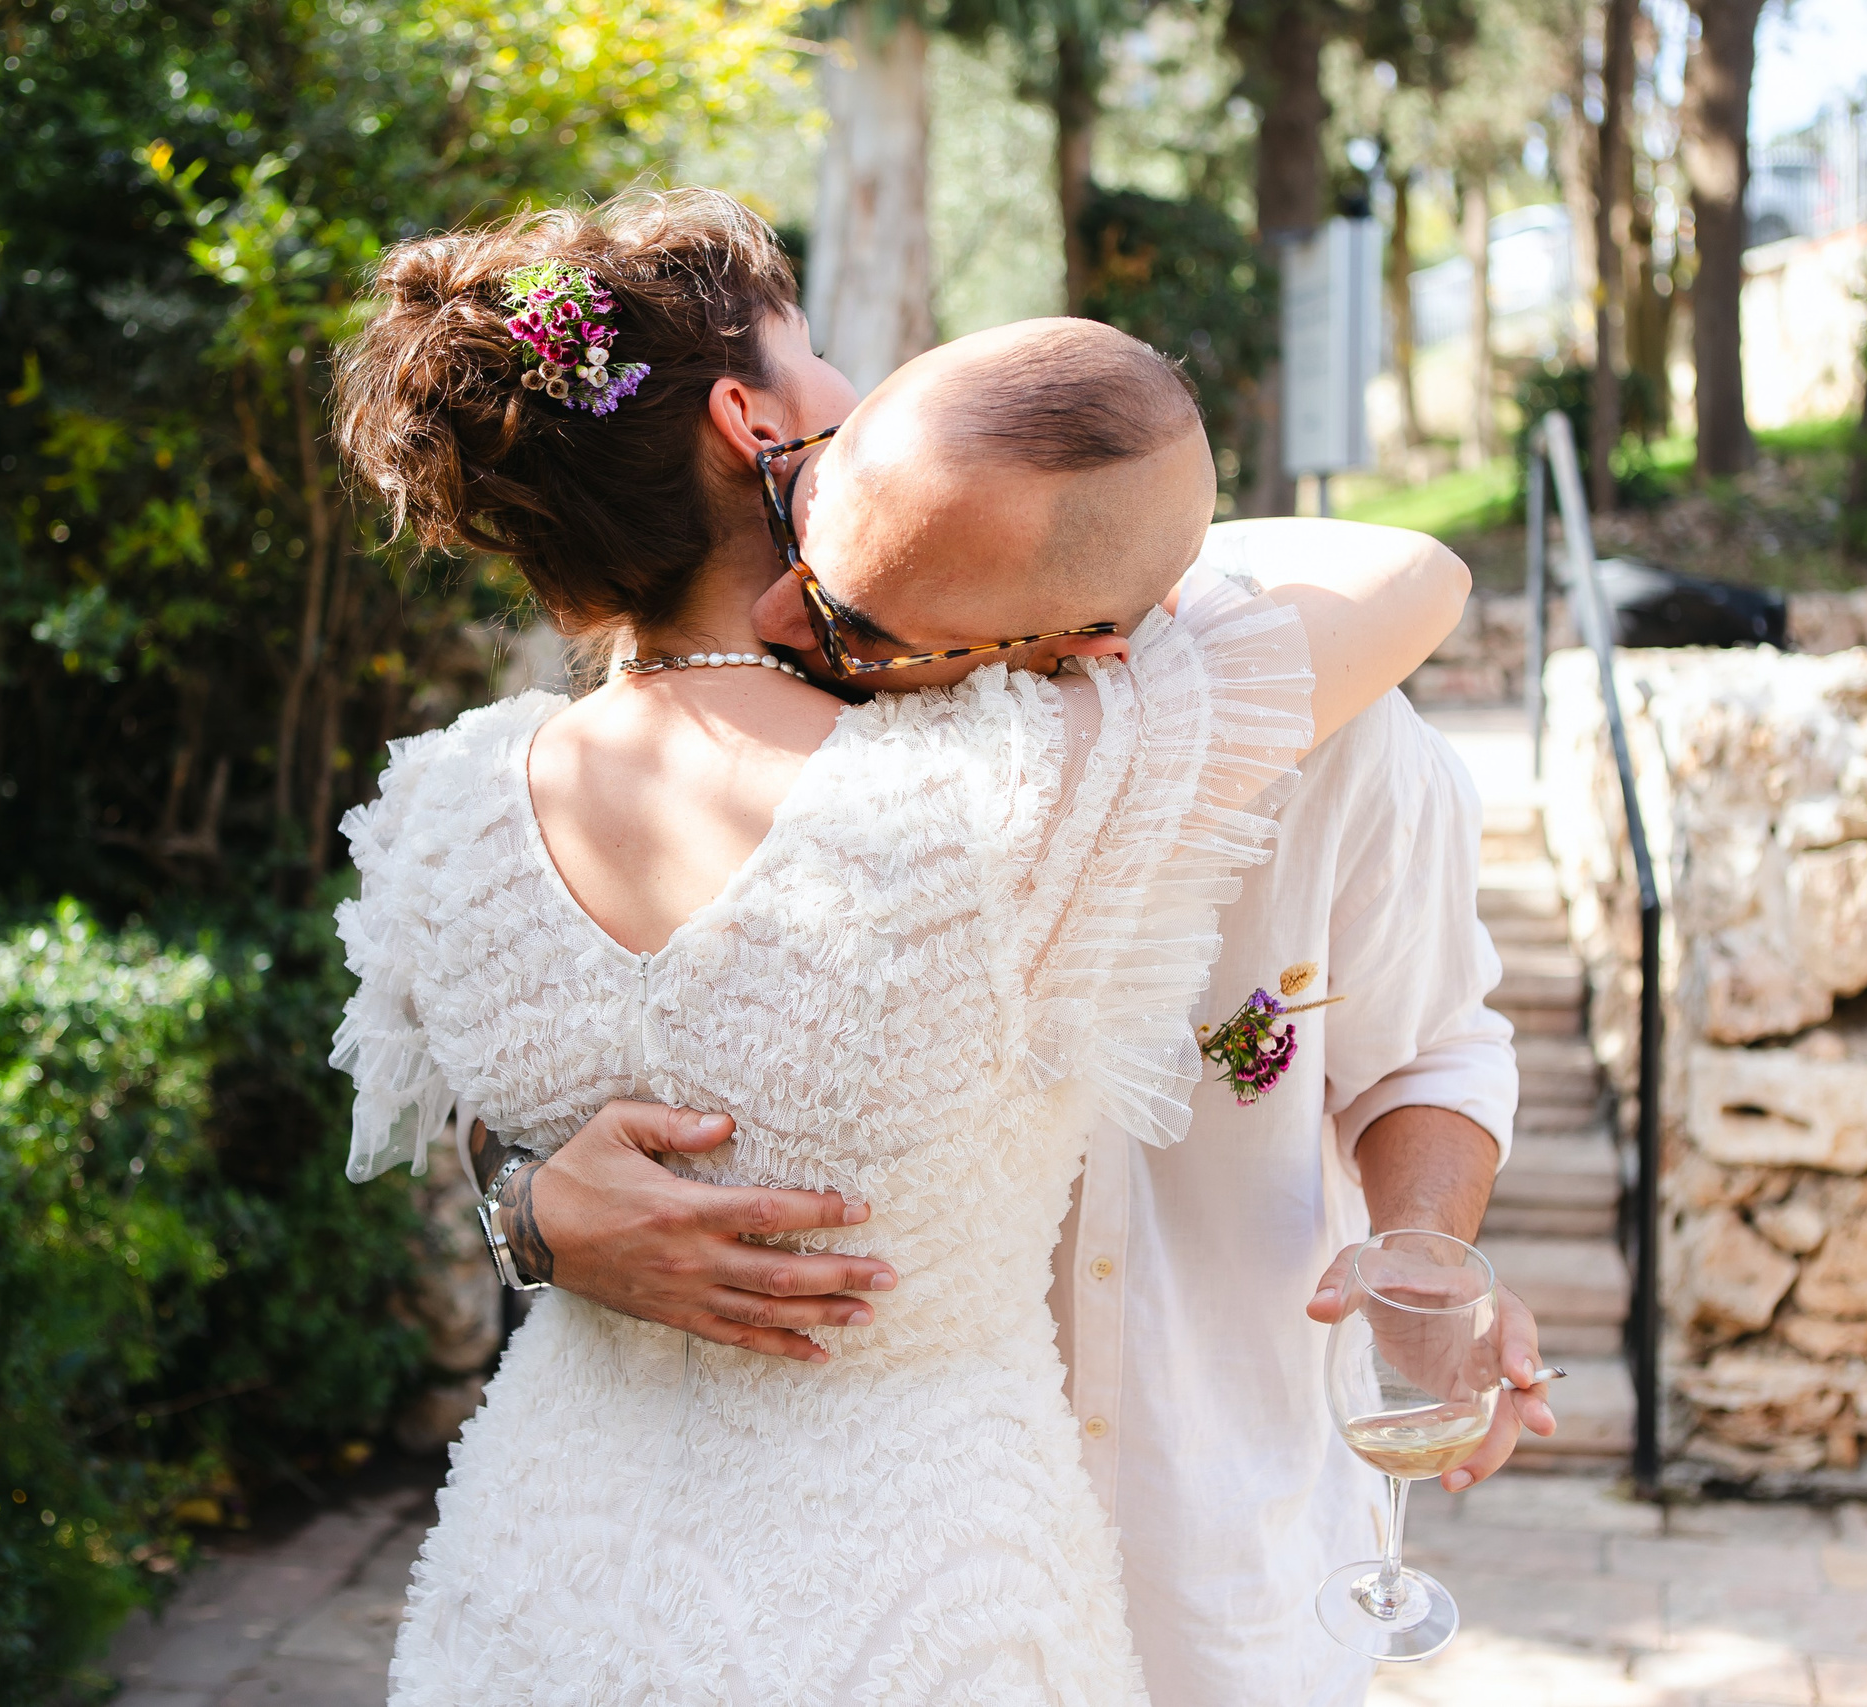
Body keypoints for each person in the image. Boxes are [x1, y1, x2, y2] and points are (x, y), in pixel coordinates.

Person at [329, 189, 1470, 1704]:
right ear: (753, 423)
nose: (868, 400)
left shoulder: (441, 810)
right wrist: (1042, 535)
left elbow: (502, 1112)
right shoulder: (1023, 777)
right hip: (920, 1576)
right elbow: (1406, 576)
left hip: (551, 1570)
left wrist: (529, 1216)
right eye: (825, 364)